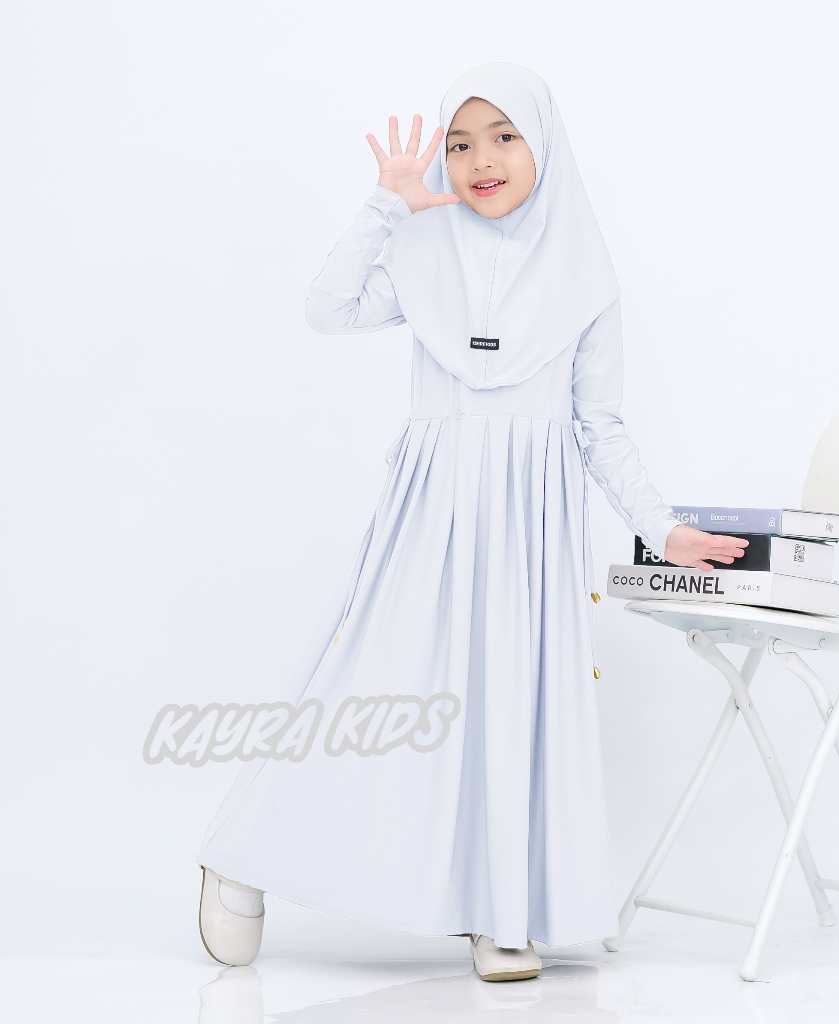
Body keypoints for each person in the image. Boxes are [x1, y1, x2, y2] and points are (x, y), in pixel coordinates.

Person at [195, 61, 747, 983]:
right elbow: (327, 310)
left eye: (503, 137)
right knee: (368, 691)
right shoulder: (425, 250)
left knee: (512, 708)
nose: (481, 160)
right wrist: (387, 206)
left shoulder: (586, 278)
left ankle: (502, 911)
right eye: (459, 143)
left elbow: (599, 427)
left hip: (530, 530)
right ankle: (239, 855)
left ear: (544, 147)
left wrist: (662, 530)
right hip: (432, 514)